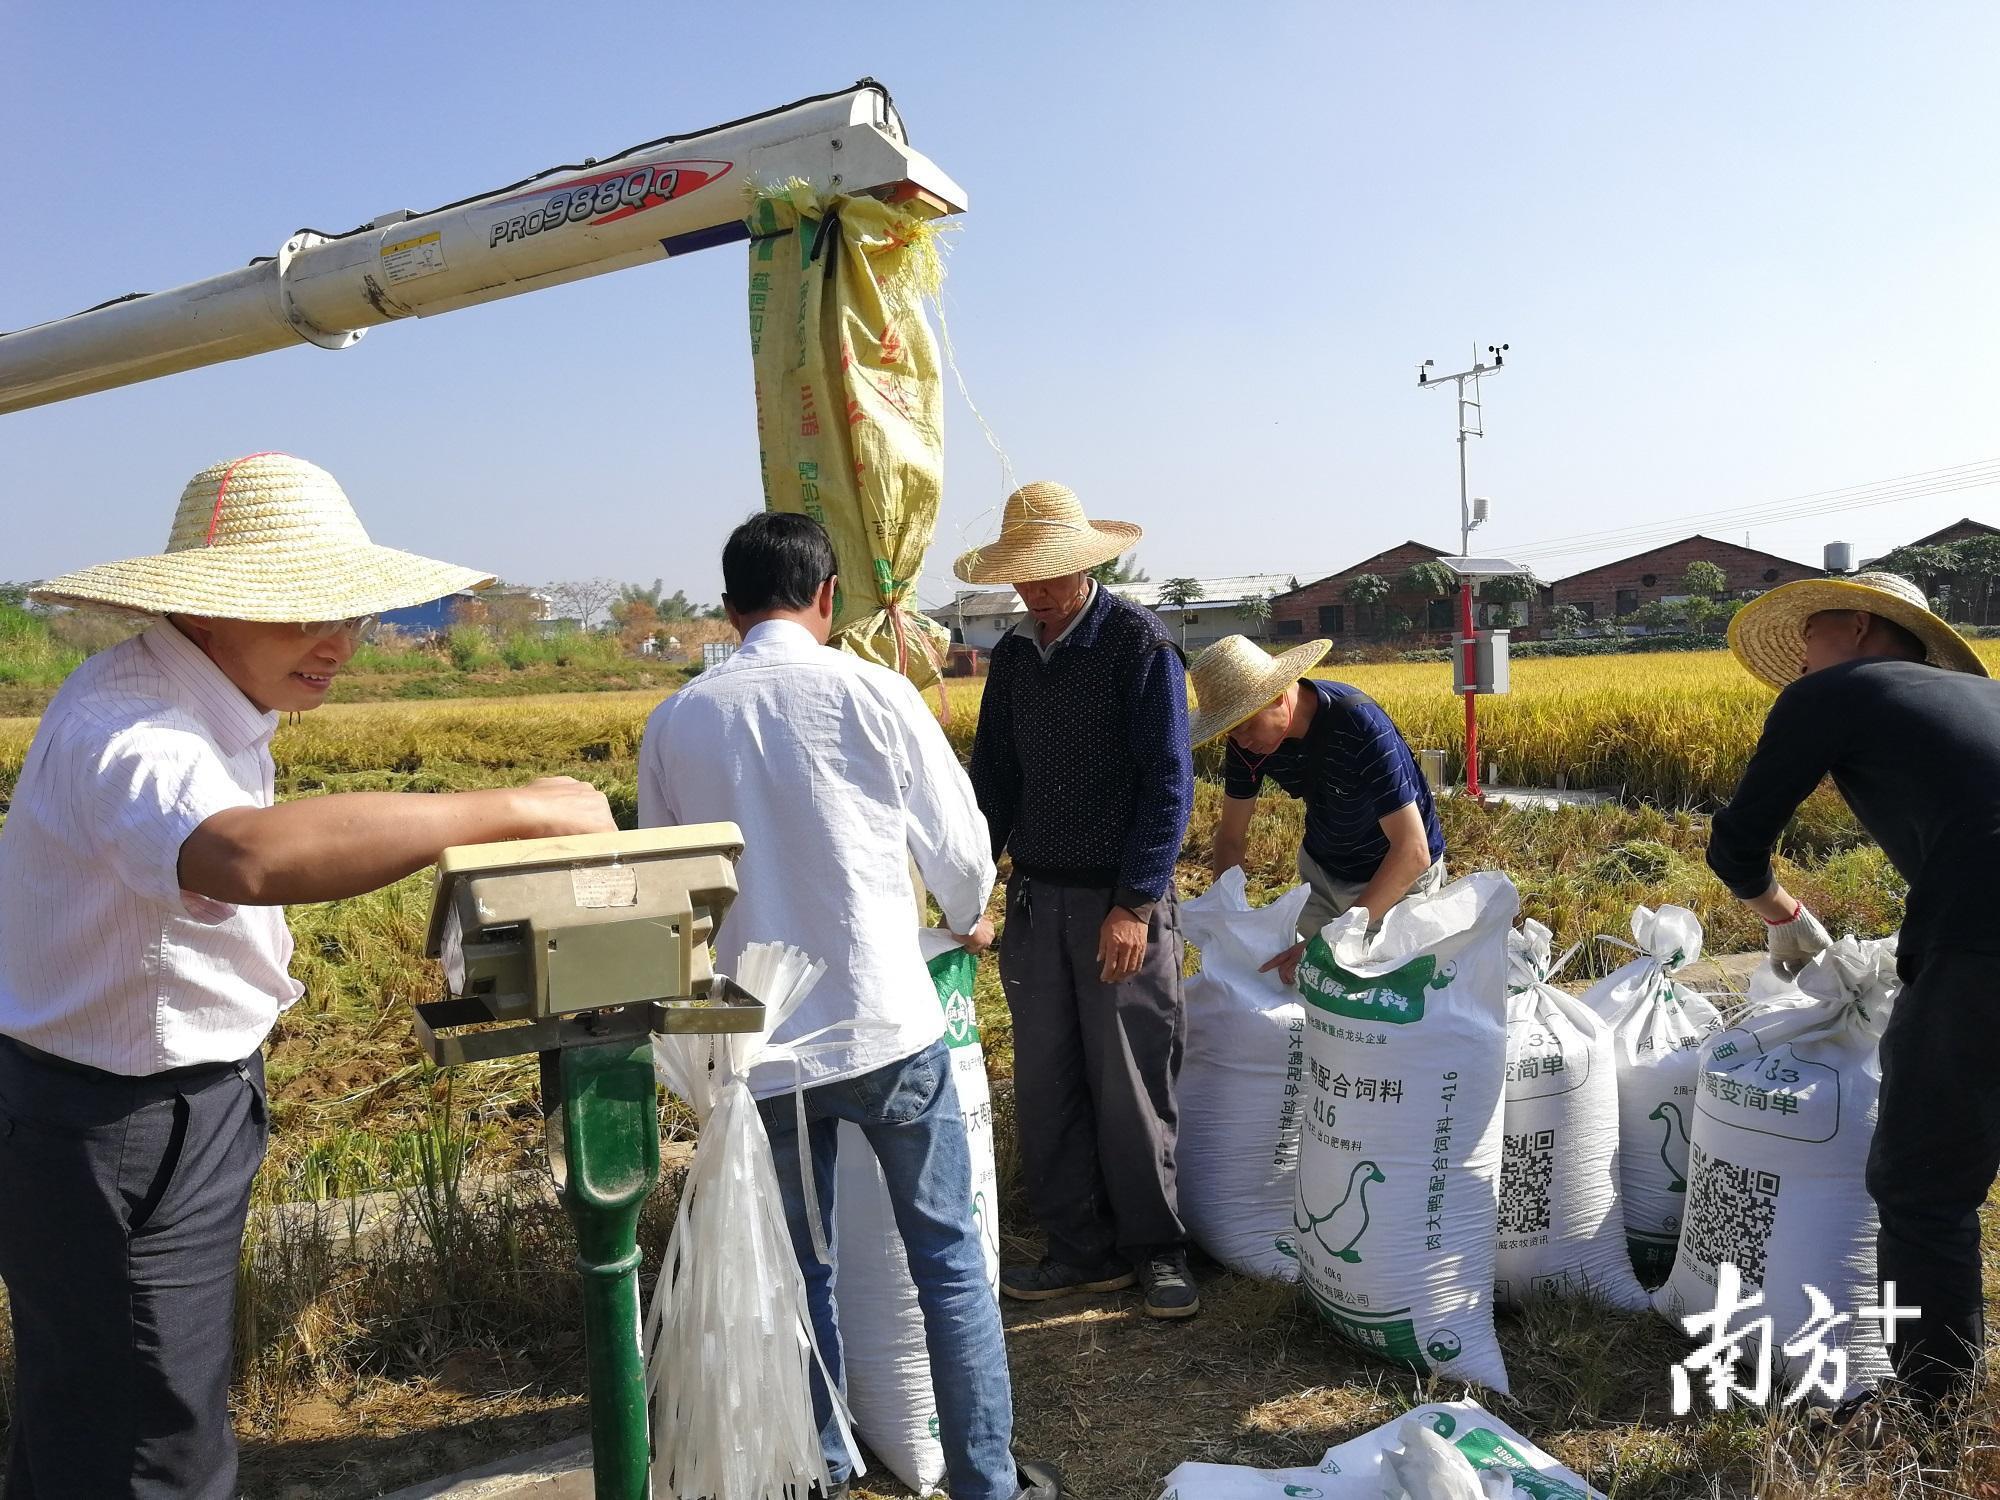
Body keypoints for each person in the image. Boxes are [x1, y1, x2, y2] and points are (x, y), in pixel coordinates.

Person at [0, 453, 616, 1500]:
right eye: (299, 616)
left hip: (157, 1105)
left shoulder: (214, 703)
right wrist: (514, 806)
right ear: (204, 610)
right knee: (149, 1444)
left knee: (110, 1412)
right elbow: (243, 856)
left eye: (352, 616)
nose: (336, 645)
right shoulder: (133, 726)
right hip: (119, 1125)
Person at [638, 512, 1059, 1500]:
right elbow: (957, 846)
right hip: (885, 1028)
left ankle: (821, 1470)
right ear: (827, 598)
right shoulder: (875, 692)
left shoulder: (680, 720)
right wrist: (968, 915)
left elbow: (668, 898)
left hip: (759, 1050)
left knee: (799, 1272)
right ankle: (984, 1483)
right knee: (947, 1261)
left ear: (729, 605)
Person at [1706, 569, 2000, 1415]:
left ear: (1862, 629)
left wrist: (1783, 913)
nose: (1801, 657)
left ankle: (1931, 1415)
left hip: (1985, 942)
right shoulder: (1974, 705)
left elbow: (1737, 845)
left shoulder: (1837, 691)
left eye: (1811, 635)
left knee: (1923, 1189)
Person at [956, 482, 1199, 1319]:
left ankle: (1158, 1251)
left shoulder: (1139, 645)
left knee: (1131, 1079)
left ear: (1088, 565)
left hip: (1115, 905)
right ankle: (1078, 1249)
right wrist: (972, 888)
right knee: (1048, 1080)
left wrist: (1134, 905)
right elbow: (993, 779)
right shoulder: (1018, 655)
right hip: (1036, 901)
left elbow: (1169, 783)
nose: (1038, 592)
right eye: (1024, 577)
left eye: (1051, 575)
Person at [1196, 634, 1446, 983]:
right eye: (1230, 733)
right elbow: (1230, 839)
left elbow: (1412, 851)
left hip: (1395, 880)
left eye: (1246, 726)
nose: (1242, 741)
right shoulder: (1246, 744)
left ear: (1277, 697)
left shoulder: (1359, 724)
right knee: (1308, 987)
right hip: (1324, 873)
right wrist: (1229, 918)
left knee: (1380, 997)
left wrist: (1332, 938)